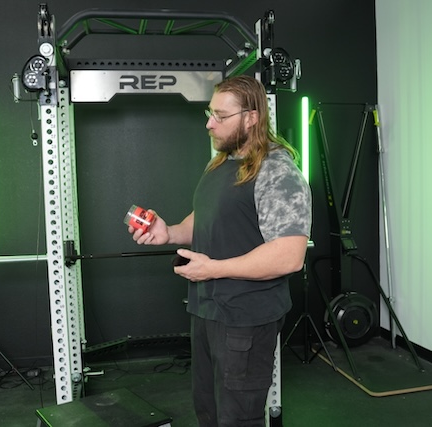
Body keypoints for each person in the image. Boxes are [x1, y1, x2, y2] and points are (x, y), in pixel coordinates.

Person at [127, 75, 312, 427]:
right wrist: (170, 233)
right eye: (210, 113)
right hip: (208, 310)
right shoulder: (223, 162)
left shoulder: (277, 171)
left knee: (237, 419)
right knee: (208, 411)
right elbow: (209, 217)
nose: (210, 123)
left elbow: (289, 255)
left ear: (251, 117)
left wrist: (213, 269)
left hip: (245, 318)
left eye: (220, 116)